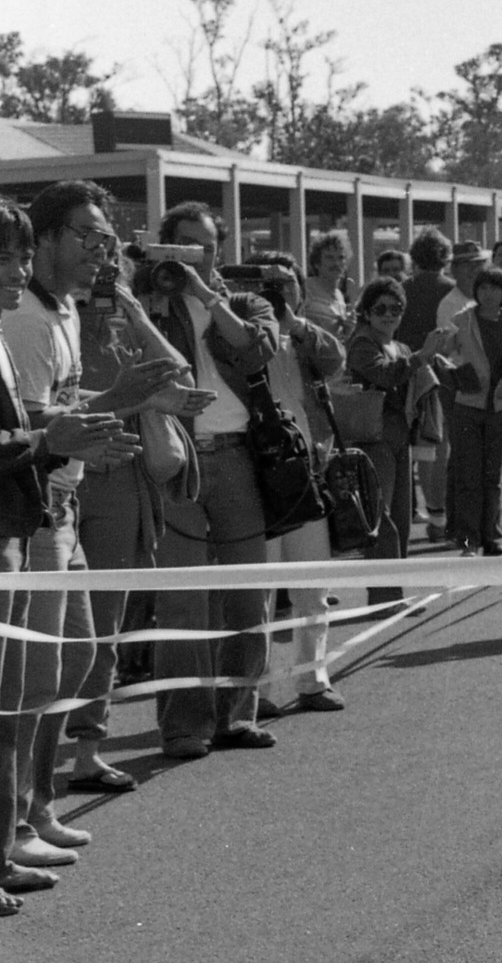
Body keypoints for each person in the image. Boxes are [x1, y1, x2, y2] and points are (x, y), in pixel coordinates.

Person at [0, 197, 140, 895]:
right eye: (86, 235)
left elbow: (63, 410)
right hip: (34, 508)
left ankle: (37, 804)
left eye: (106, 238)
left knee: (72, 659)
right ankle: (18, 822)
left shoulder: (65, 309)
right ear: (48, 233)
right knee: (26, 679)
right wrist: (106, 411)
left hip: (65, 500)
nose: (99, 250)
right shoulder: (21, 316)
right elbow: (28, 424)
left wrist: (120, 405)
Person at [65, 240, 206, 788]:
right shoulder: (54, 323)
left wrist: (138, 313)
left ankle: (86, 752)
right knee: (71, 630)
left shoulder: (125, 329)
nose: (100, 279)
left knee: (105, 628)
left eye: (110, 271)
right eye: (93, 271)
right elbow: (67, 400)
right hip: (77, 481)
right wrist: (141, 402)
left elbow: (181, 378)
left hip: (126, 484)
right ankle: (53, 753)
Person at [145, 203, 281, 758]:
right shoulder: (147, 298)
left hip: (234, 457)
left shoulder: (245, 301)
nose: (191, 256)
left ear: (219, 251)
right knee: (183, 599)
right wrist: (149, 289)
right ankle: (184, 725)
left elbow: (256, 350)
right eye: (181, 244)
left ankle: (237, 716)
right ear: (163, 245)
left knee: (249, 594)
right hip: (175, 458)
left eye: (203, 246)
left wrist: (205, 291)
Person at [250, 258, 347, 714]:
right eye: (266, 286)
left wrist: (295, 323)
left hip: (306, 466)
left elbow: (334, 361)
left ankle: (313, 678)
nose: (276, 294)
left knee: (312, 581)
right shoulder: (239, 328)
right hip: (258, 469)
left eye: (284, 285)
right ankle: (262, 689)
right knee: (263, 586)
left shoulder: (301, 334)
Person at [427, 268, 502, 555]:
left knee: (493, 478)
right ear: (476, 292)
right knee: (467, 477)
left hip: (500, 409)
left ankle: (490, 537)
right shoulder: (462, 320)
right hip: (467, 408)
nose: (489, 294)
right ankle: (467, 541)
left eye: (495, 288)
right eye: (483, 288)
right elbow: (441, 354)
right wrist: (455, 372)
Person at [345, 276, 431, 570]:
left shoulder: (401, 347)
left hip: (399, 436)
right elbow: (384, 374)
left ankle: (397, 588)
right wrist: (424, 356)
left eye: (396, 309)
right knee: (381, 519)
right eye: (380, 309)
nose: (389, 315)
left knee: (402, 518)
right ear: (366, 313)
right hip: (374, 437)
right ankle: (385, 594)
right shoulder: (361, 343)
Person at [398, 228, 456, 542]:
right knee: (438, 446)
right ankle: (438, 516)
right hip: (440, 373)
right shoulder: (452, 289)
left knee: (413, 447)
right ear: (444, 257)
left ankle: (410, 510)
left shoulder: (401, 288)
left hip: (407, 369)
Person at [303, 232, 352, 339]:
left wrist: (348, 329)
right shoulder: (306, 289)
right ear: (317, 263)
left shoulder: (340, 296)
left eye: (341, 258)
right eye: (329, 258)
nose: (336, 263)